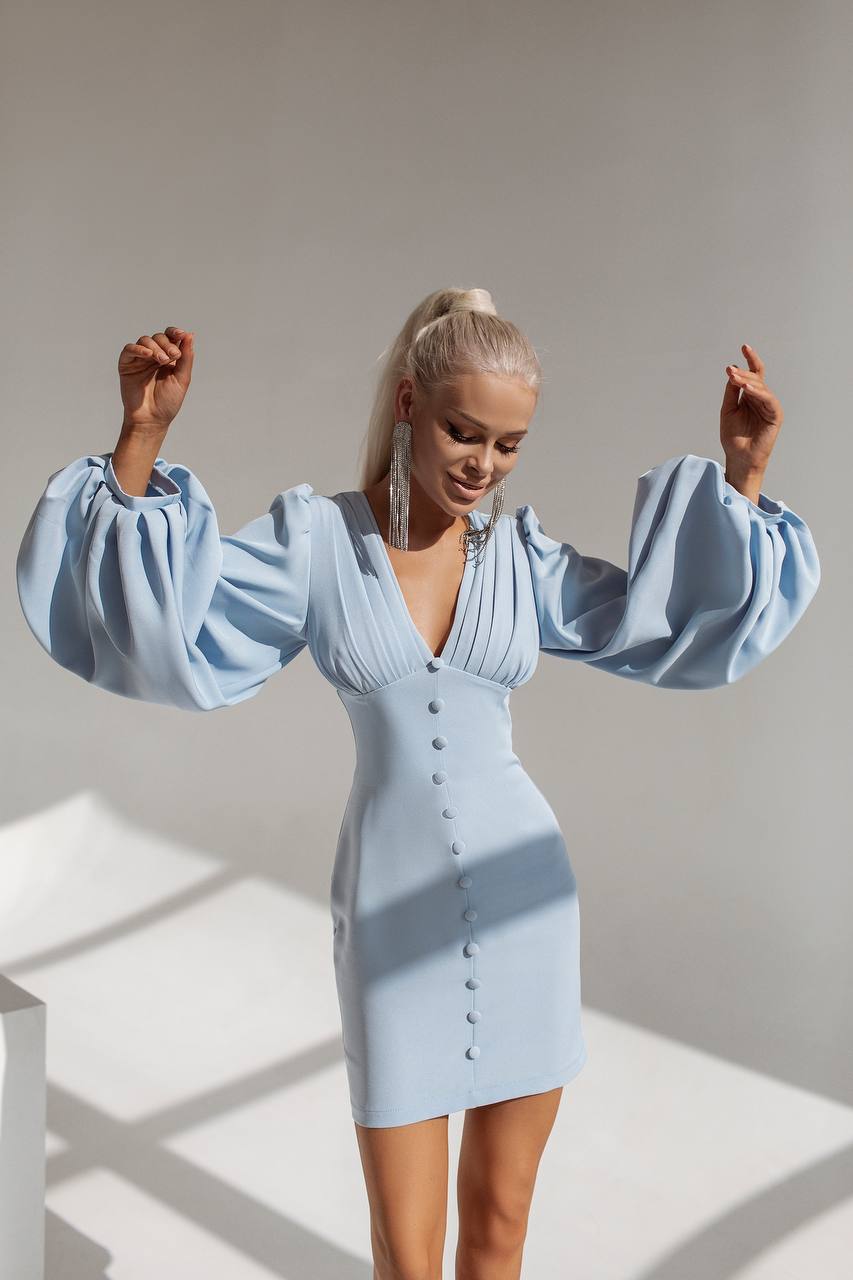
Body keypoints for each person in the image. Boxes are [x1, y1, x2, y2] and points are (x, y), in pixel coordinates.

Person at [16, 287, 820, 1280]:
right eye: (463, 431)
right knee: (407, 1251)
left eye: (510, 444)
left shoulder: (518, 558)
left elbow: (665, 624)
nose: (484, 464)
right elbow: (162, 619)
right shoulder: (317, 542)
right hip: (390, 923)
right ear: (408, 403)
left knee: (502, 1227)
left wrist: (743, 474)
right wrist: (141, 433)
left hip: (529, 913)